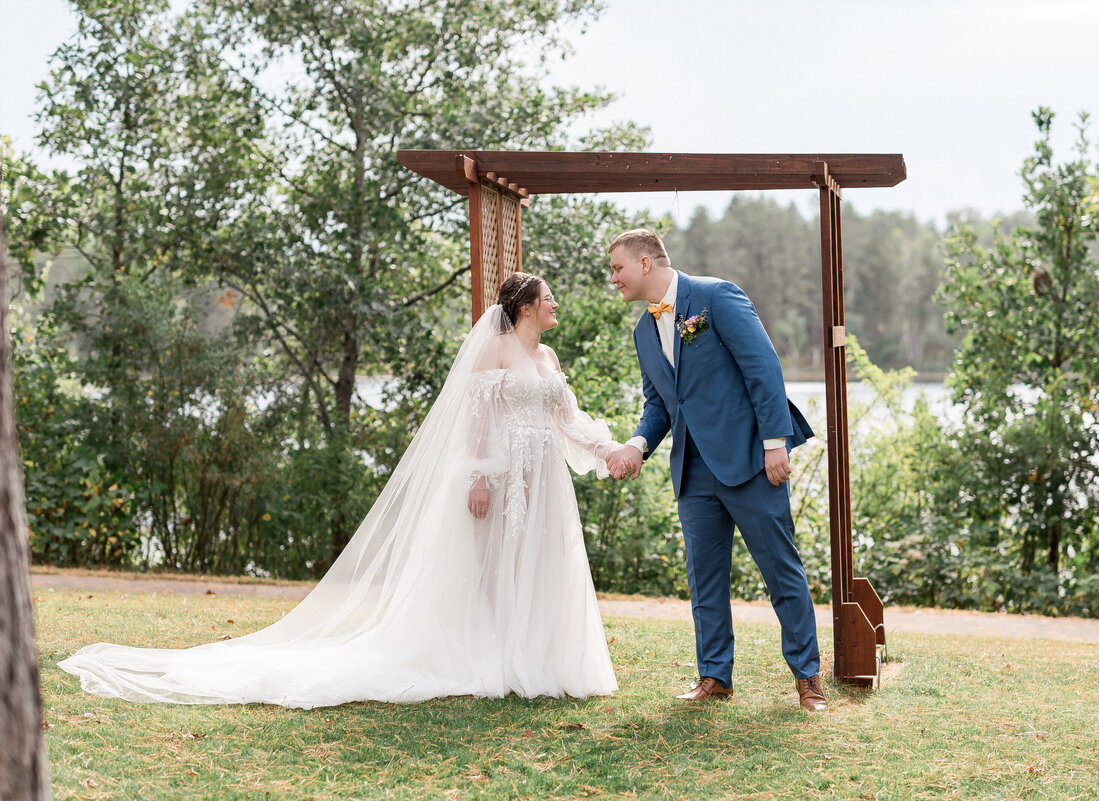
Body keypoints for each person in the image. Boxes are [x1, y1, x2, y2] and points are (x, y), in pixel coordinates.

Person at [60, 273, 621, 707]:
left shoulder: (546, 357)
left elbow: (567, 420)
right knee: (493, 566)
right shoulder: (493, 351)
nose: (555, 306)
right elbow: (474, 421)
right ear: (525, 307)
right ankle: (496, 657)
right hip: (500, 476)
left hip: (543, 479)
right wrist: (478, 476)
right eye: (548, 299)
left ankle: (533, 658)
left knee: (535, 563)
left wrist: (609, 449)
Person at [603, 229, 827, 712]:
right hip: (692, 468)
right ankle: (714, 676)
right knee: (704, 579)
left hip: (749, 458)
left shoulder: (716, 296)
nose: (613, 278)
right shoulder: (643, 331)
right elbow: (659, 405)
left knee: (780, 571)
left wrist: (774, 443)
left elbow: (762, 368)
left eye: (618, 268)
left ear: (645, 263)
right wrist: (637, 444)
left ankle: (808, 679)